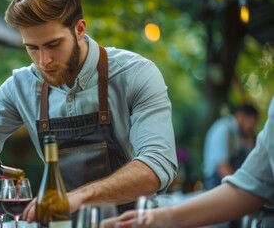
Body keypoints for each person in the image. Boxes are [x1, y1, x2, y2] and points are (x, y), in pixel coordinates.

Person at [0, 0, 177, 222]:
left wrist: (76, 198)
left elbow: (156, 167)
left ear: (79, 29)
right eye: (32, 48)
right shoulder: (21, 86)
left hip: (133, 223)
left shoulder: (136, 74)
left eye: (53, 44)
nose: (43, 61)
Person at [115, 95, 274, 228]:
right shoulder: (224, 130)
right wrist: (163, 217)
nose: (254, 127)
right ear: (240, 116)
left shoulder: (245, 137)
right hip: (217, 186)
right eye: (252, 121)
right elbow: (225, 168)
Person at [203, 103, 259, 190]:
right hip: (216, 183)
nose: (252, 129)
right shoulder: (224, 129)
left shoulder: (244, 135)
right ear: (240, 116)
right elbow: (222, 167)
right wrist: (242, 188)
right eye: (251, 124)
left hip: (231, 181)